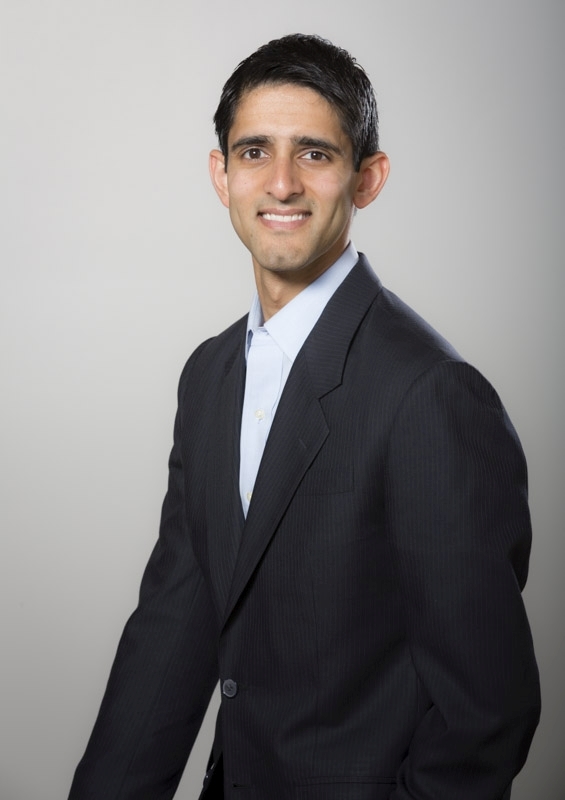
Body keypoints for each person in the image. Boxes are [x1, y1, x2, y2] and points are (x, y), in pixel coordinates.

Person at [69, 33, 540, 800]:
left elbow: (486, 710)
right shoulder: (209, 375)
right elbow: (172, 628)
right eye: (254, 152)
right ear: (220, 174)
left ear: (368, 178)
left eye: (314, 154)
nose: (280, 183)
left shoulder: (433, 396)